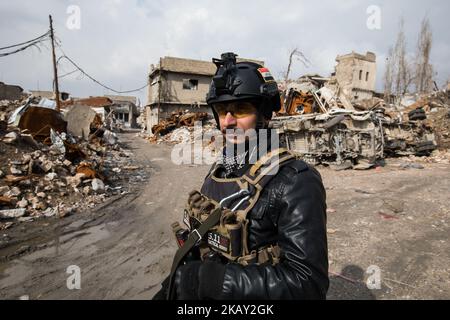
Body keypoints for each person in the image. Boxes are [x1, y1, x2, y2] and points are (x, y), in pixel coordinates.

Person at [153, 52, 329, 300]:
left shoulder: (295, 180)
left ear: (264, 114)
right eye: (222, 110)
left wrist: (216, 282)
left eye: (240, 109)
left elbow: (308, 284)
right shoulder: (222, 168)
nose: (228, 122)